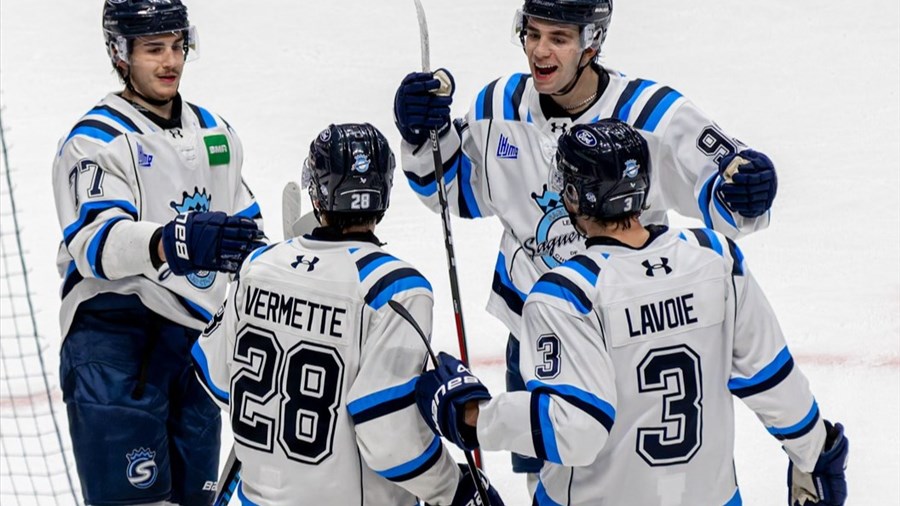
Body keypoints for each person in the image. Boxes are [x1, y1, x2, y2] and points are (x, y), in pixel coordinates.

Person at [393, 0, 779, 477]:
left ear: (591, 43)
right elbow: (452, 191)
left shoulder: (651, 113)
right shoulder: (499, 106)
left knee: (627, 482)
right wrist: (420, 135)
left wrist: (750, 190)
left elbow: (728, 184)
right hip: (536, 340)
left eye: (559, 38)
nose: (540, 51)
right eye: (532, 34)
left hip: (629, 333)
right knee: (545, 484)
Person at [414, 120, 848, 505]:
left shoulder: (566, 293)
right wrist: (814, 451)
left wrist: (472, 416)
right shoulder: (714, 256)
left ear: (571, 195)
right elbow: (770, 375)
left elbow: (575, 431)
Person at [190, 123, 503, 506]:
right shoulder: (394, 287)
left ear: (316, 192)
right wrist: (452, 488)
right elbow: (388, 438)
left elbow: (218, 380)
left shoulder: (259, 266)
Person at [51, 1, 265, 504]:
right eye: (153, 49)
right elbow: (97, 244)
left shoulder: (215, 132)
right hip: (115, 343)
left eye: (176, 46)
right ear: (119, 53)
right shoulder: (97, 140)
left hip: (196, 345)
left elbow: (246, 228)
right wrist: (175, 240)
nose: (170, 62)